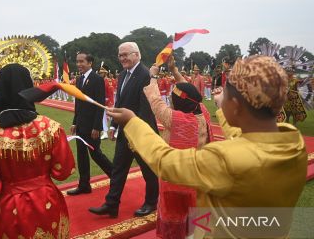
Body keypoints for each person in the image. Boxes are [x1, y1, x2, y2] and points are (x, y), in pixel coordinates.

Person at [107, 56, 307, 238]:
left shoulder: (225, 159)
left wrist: (132, 122)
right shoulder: (292, 141)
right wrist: (222, 109)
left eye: (225, 94)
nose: (219, 98)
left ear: (236, 106)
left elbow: (166, 162)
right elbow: (239, 134)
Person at [0, 64, 75, 239]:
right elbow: (63, 171)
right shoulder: (51, 128)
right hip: (47, 201)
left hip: (11, 207)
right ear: (29, 87)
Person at [89, 42, 159, 218]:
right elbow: (119, 103)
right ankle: (112, 204)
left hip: (142, 133)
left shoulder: (145, 75)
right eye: (120, 55)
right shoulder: (122, 75)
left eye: (126, 54)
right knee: (118, 170)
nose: (122, 58)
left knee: (148, 171)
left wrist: (138, 132)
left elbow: (146, 109)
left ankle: (151, 202)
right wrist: (113, 125)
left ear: (137, 55)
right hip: (125, 132)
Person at [146, 57, 214, 239]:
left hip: (176, 179)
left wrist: (152, 77)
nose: (170, 101)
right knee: (195, 218)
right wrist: (175, 71)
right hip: (199, 176)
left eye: (172, 99)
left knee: (175, 220)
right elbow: (190, 92)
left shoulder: (175, 119)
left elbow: (155, 101)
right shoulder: (203, 113)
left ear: (179, 103)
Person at [67, 52, 113, 196]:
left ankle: (116, 176)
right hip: (80, 125)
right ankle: (84, 185)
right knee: (81, 155)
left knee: (96, 154)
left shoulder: (97, 79)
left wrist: (97, 127)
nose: (79, 64)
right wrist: (75, 122)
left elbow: (99, 105)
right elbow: (78, 104)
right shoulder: (79, 80)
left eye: (82, 61)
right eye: (77, 61)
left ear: (90, 63)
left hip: (92, 126)